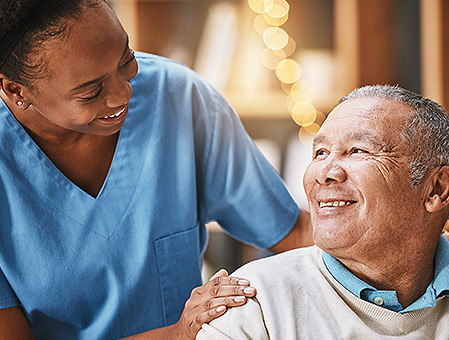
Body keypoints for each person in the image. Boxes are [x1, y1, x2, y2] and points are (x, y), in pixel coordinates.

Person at [0, 0, 313, 339]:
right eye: (91, 92)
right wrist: (177, 334)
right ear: (15, 90)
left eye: (126, 60)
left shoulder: (178, 97)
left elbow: (292, 232)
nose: (124, 94)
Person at [197, 84, 449, 339]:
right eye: (320, 153)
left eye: (358, 150)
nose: (325, 173)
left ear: (436, 189)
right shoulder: (254, 303)